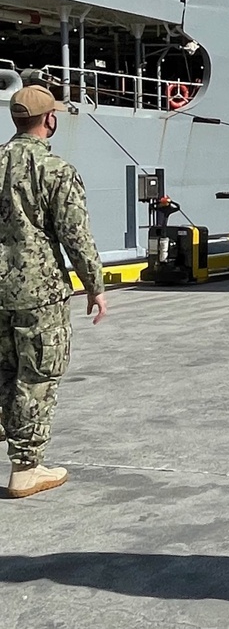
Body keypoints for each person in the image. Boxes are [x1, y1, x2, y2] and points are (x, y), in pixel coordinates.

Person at [0, 85, 107, 498]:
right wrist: (95, 286)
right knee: (37, 375)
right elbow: (75, 235)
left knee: (5, 374)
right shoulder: (56, 170)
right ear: (50, 120)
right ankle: (26, 467)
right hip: (38, 292)